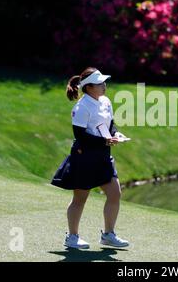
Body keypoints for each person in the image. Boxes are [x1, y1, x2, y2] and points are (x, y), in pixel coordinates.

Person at [51, 67, 129, 249]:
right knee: (80, 198)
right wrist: (105, 140)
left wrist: (115, 134)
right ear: (89, 87)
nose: (104, 86)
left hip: (103, 156)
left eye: (104, 82)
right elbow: (80, 136)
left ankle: (108, 235)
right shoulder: (82, 107)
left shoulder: (105, 101)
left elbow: (110, 124)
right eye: (100, 83)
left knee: (115, 193)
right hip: (84, 157)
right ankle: (72, 237)